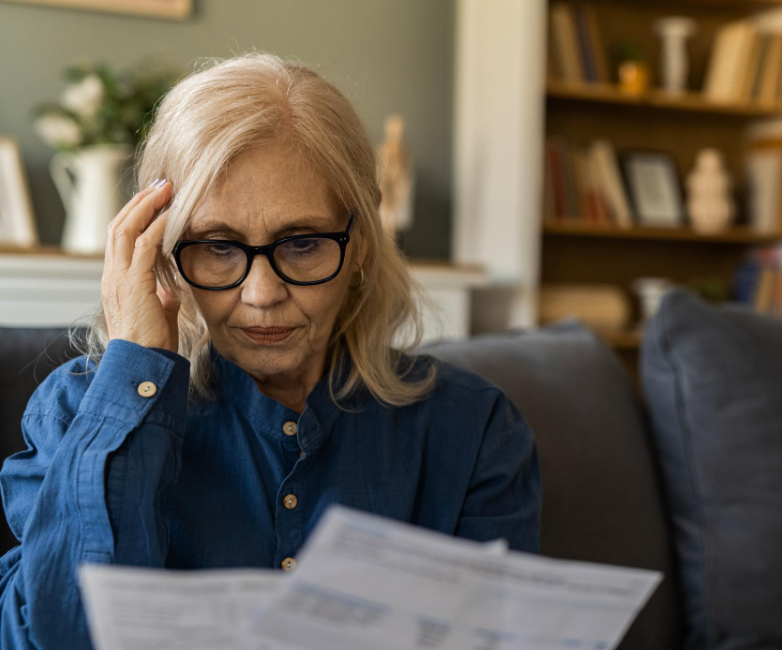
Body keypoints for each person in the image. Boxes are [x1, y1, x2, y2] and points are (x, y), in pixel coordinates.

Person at [0, 52, 541, 649]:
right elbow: (51, 637)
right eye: (216, 246)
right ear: (161, 252)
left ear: (360, 243)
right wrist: (134, 371)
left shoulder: (473, 429)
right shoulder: (79, 411)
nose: (261, 295)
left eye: (303, 243)